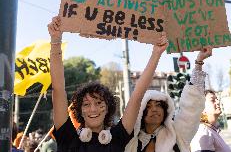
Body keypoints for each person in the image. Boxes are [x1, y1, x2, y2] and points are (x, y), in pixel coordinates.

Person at [47, 16, 168, 152]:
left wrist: (156, 53)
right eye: (86, 104)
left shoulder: (117, 138)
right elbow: (58, 88)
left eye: (99, 103)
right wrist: (55, 40)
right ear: (80, 110)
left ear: (108, 108)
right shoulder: (67, 137)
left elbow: (137, 96)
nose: (93, 109)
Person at [125, 47, 212, 152]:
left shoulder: (177, 133)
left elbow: (191, 106)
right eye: (148, 106)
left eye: (158, 105)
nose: (154, 109)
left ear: (165, 109)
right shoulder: (131, 142)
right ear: (140, 113)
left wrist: (199, 62)